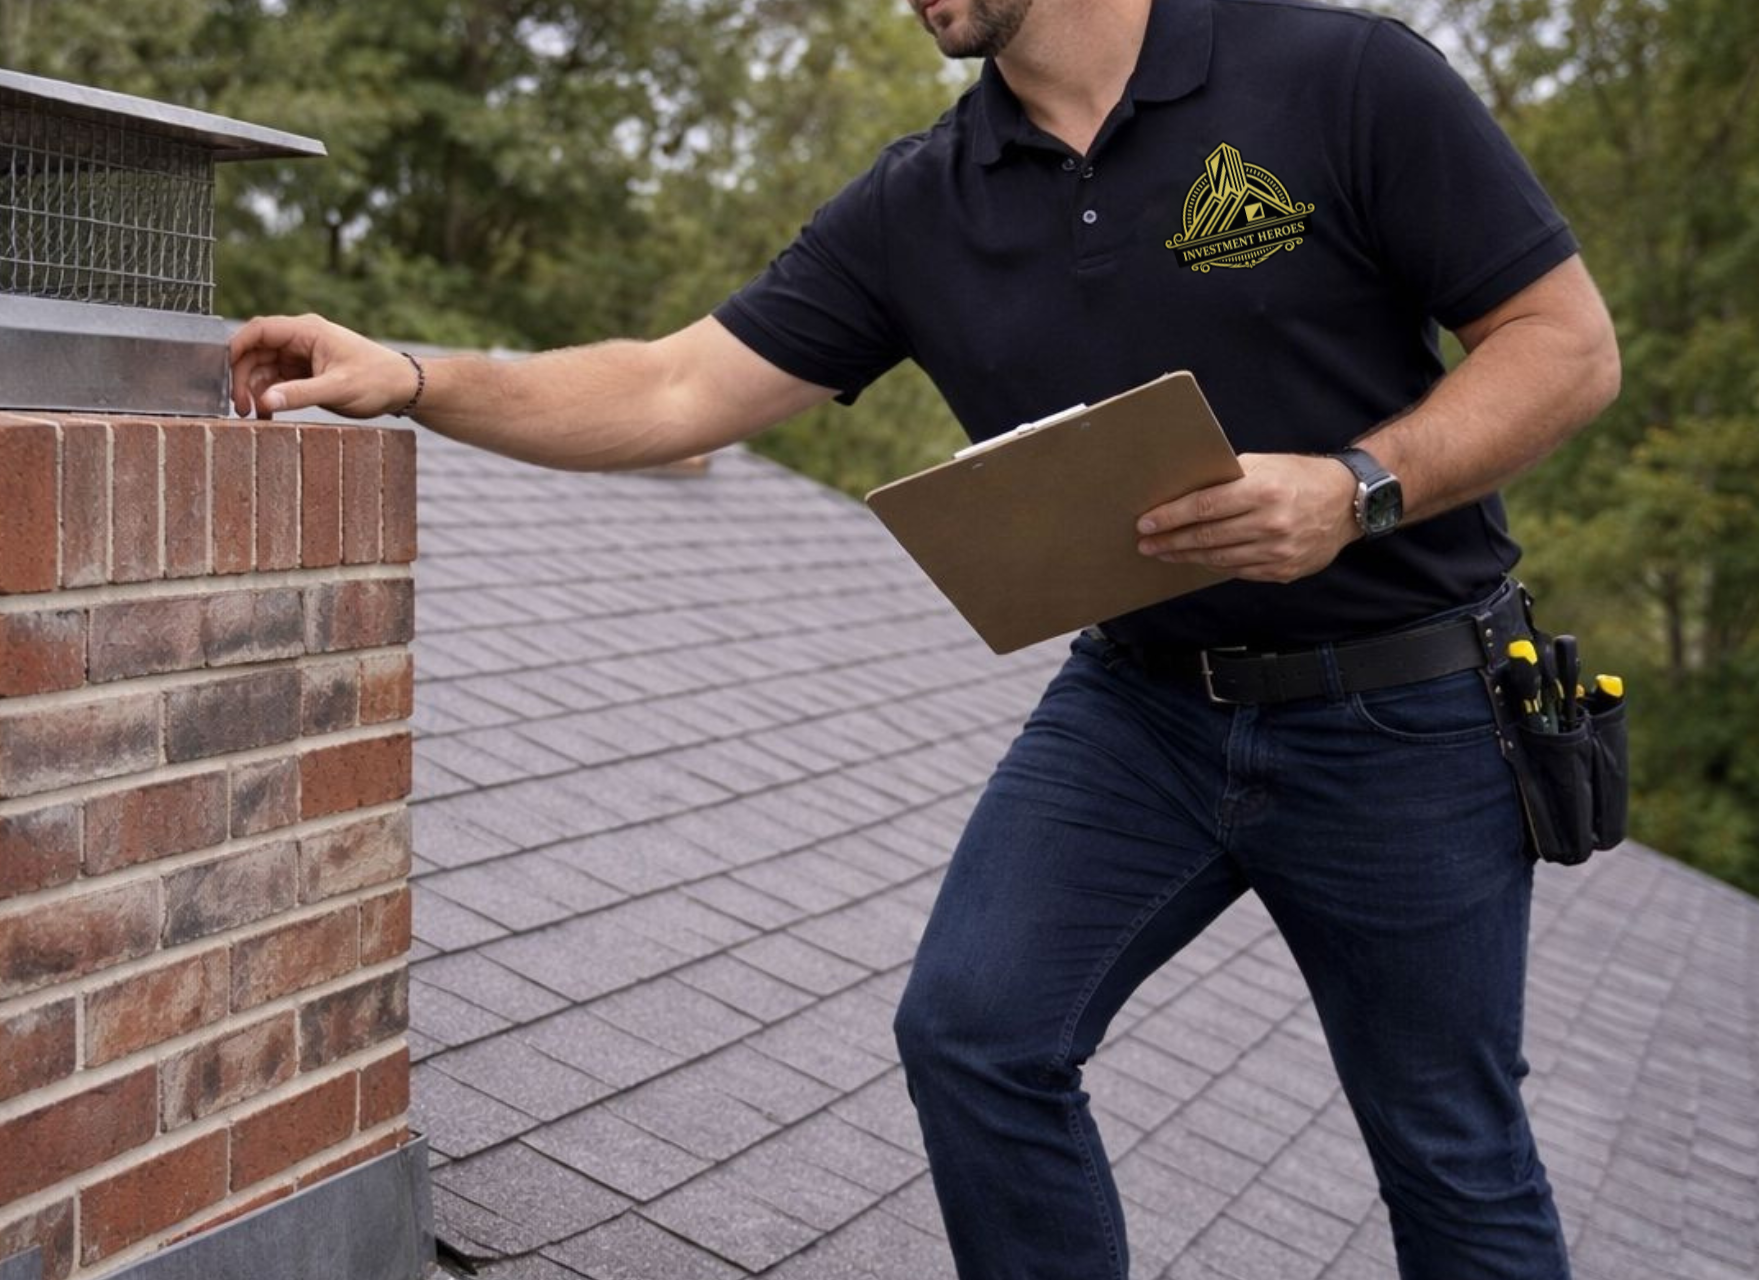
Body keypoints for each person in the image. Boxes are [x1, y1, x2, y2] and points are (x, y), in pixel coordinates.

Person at [230, 1, 1619, 1275]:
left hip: (1406, 705)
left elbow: (1563, 343)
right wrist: (411, 377)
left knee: (1450, 1151)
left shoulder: (1343, 76)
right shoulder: (923, 204)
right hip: (1143, 708)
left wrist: (1354, 488)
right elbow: (669, 386)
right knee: (974, 1034)